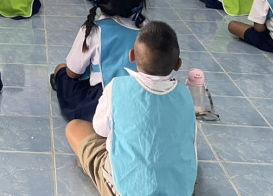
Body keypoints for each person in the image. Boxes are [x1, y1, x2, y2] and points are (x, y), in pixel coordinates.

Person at [66, 21, 197, 196]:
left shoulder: (117, 86)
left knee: (75, 127)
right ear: (178, 64)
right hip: (180, 190)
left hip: (125, 190)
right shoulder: (185, 94)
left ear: (132, 55)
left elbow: (100, 129)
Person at [53, 0, 148, 122]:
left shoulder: (93, 30)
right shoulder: (148, 30)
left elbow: (72, 73)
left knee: (61, 70)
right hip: (141, 99)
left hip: (103, 102)